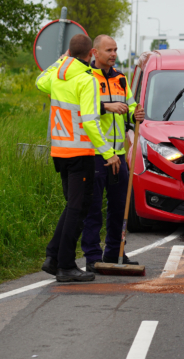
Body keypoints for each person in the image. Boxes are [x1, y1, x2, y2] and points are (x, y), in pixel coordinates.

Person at [36, 34, 120, 282]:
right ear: (91, 54)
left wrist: (57, 61)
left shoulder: (59, 72)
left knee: (72, 206)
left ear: (68, 53)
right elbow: (90, 121)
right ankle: (66, 266)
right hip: (80, 152)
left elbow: (40, 82)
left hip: (60, 151)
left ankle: (53, 257)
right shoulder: (87, 80)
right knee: (79, 207)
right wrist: (108, 153)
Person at [82, 35, 145, 272]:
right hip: (96, 153)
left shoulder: (120, 78)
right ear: (94, 53)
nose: (113, 54)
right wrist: (105, 107)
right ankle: (92, 256)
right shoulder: (86, 78)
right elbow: (83, 110)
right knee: (94, 208)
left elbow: (128, 107)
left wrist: (134, 114)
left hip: (119, 152)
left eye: (116, 50)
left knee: (119, 206)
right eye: (109, 50)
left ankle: (115, 251)